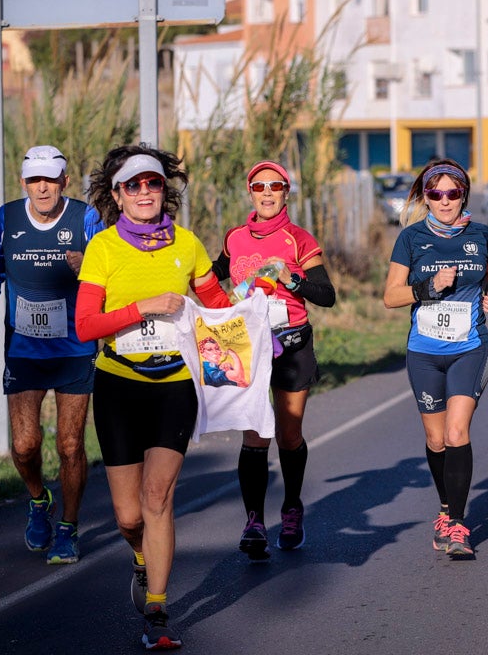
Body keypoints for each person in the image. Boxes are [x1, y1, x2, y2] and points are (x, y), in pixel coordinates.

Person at [75, 144, 232, 649]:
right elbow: (84, 327)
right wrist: (142, 307)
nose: (145, 192)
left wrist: (259, 324)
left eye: (154, 183)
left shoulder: (187, 244)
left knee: (158, 498)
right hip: (118, 385)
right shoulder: (102, 249)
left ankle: (159, 617)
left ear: (166, 191)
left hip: (174, 387)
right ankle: (140, 557)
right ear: (118, 196)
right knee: (127, 516)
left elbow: (218, 305)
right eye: (134, 185)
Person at [0, 145, 103, 565]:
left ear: (65, 180)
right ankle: (37, 499)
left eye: (50, 179)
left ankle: (67, 527)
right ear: (23, 182)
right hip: (25, 349)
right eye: (34, 180)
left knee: (70, 446)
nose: (42, 187)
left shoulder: (85, 218)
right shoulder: (6, 219)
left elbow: (110, 272)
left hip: (74, 347)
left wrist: (87, 266)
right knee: (26, 445)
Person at [212, 161, 337, 559]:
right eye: (259, 186)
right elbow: (209, 278)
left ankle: (292, 507)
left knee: (287, 434)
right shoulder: (235, 239)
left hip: (291, 343)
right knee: (254, 434)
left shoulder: (298, 239)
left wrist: (292, 279)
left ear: (286, 193)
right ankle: (253, 521)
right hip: (248, 346)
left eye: (276, 186)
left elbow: (326, 294)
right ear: (250, 192)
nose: (267, 193)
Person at [383, 159, 488, 560]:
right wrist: (428, 286)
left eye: (453, 193)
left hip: (470, 346)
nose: (445, 201)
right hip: (424, 352)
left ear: (464, 194)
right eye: (436, 194)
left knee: (456, 434)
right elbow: (391, 296)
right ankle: (446, 507)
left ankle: (458, 524)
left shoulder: (481, 233)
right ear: (425, 197)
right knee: (436, 440)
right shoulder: (411, 238)